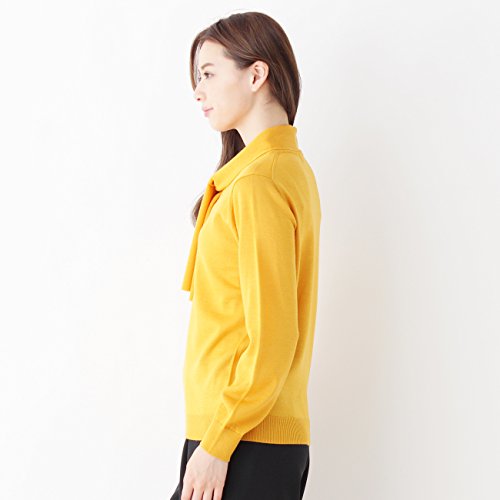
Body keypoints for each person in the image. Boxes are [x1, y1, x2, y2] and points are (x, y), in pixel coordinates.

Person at [170, 11, 321, 500]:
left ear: (256, 75)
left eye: (208, 74)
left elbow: (273, 334)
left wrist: (218, 442)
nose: (198, 91)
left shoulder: (259, 182)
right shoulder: (276, 170)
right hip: (240, 434)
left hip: (241, 438)